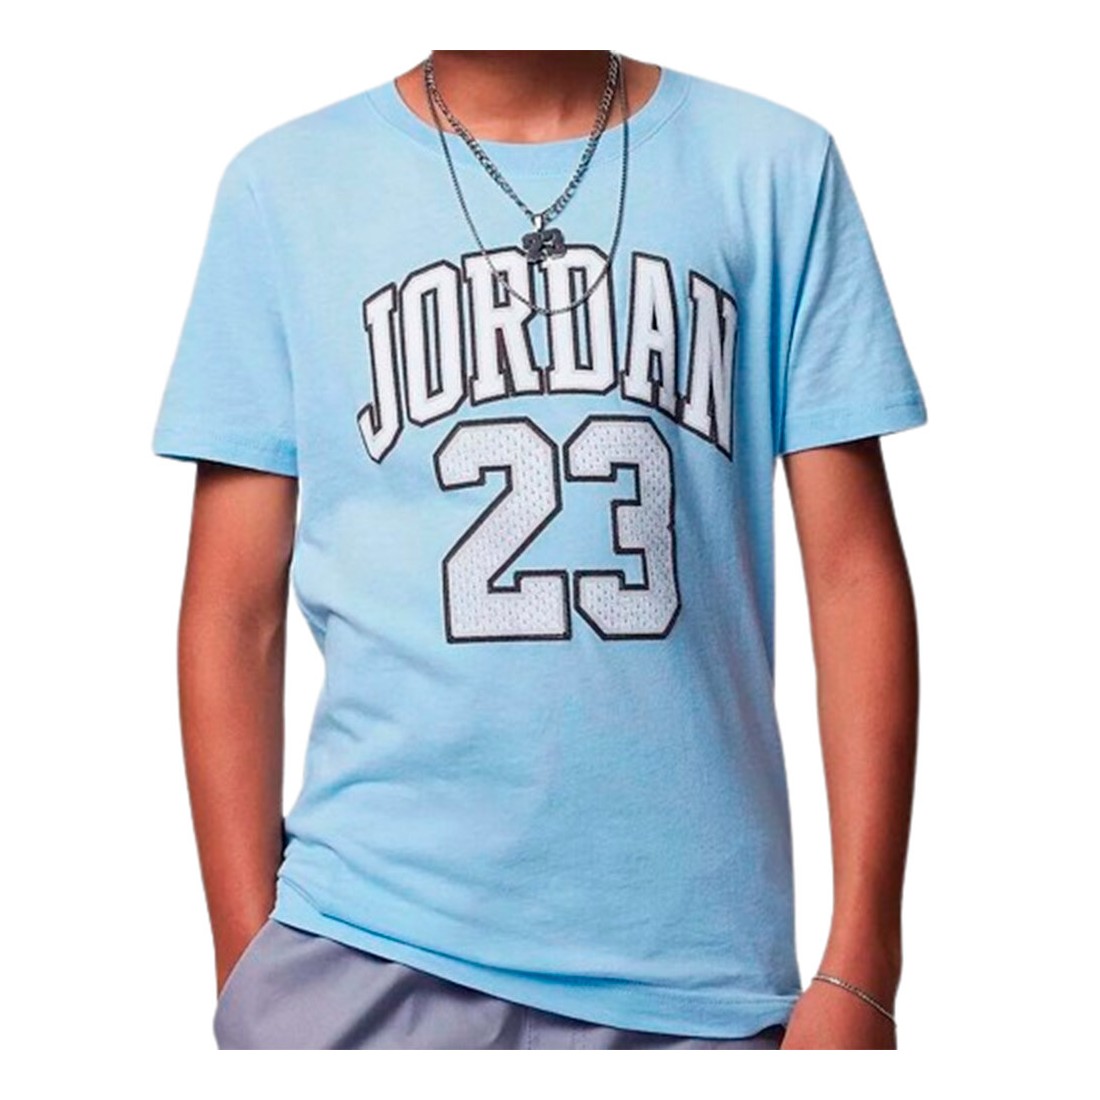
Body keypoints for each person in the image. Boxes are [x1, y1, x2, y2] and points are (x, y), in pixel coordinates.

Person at [151, 50, 927, 1050]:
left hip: (694, 976)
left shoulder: (773, 165)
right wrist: (246, 967)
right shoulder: (283, 188)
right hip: (361, 939)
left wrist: (863, 964)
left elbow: (852, 575)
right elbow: (232, 609)